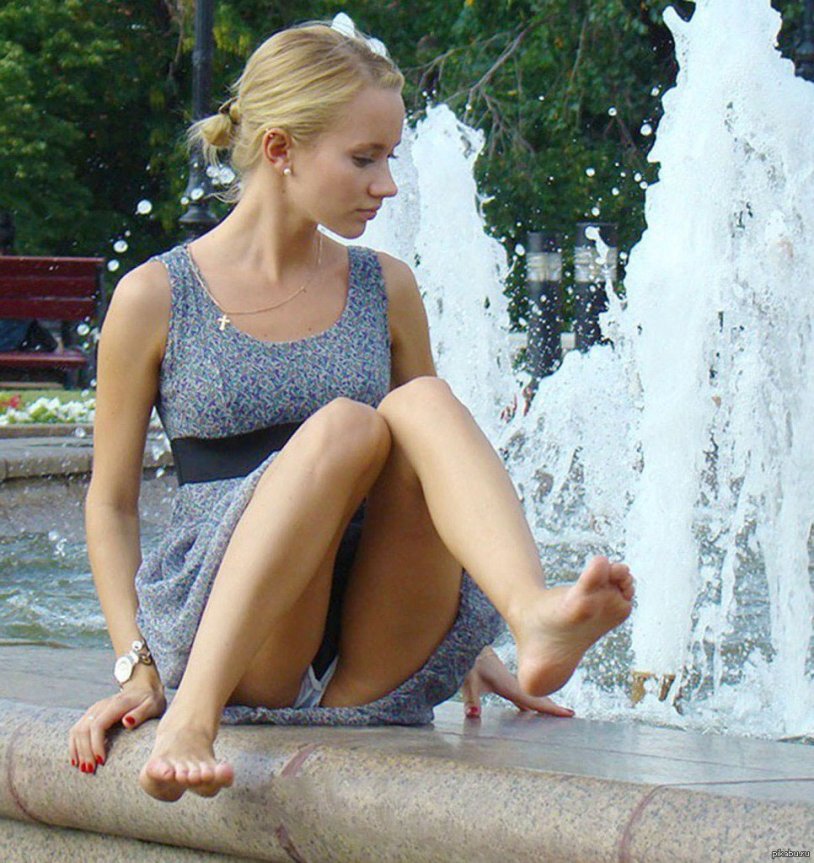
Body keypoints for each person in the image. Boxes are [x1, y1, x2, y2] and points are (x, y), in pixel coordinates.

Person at [67, 19, 635, 803]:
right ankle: (192, 717)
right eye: (364, 158)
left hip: (375, 638)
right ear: (280, 149)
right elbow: (111, 503)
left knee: (422, 402)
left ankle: (530, 613)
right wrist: (138, 663)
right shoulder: (157, 296)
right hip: (239, 640)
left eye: (390, 158)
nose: (387, 185)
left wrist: (466, 646)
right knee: (347, 425)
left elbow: (434, 479)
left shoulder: (385, 287)